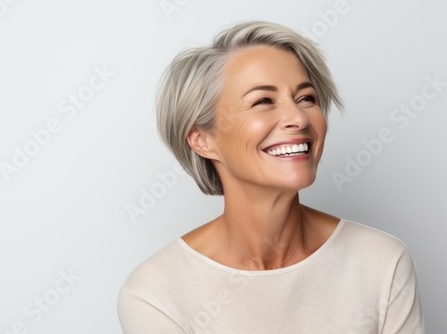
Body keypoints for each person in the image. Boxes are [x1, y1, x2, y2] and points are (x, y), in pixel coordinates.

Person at [117, 21, 423, 333]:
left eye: (307, 98)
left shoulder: (382, 262)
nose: (299, 118)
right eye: (263, 101)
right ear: (203, 139)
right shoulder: (155, 293)